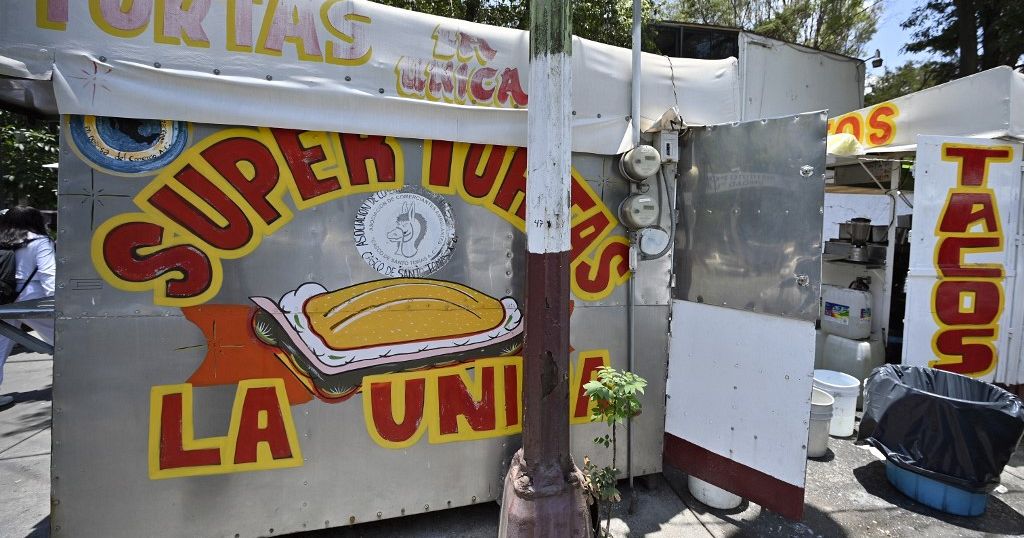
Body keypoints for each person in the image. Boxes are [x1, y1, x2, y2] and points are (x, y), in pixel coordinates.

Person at [0, 207, 55, 407]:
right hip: (32, 299)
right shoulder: (39, 241)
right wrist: (58, 302)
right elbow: (50, 275)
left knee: (0, 346)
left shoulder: (3, 241)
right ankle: (86, 382)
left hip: (4, 300)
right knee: (67, 340)